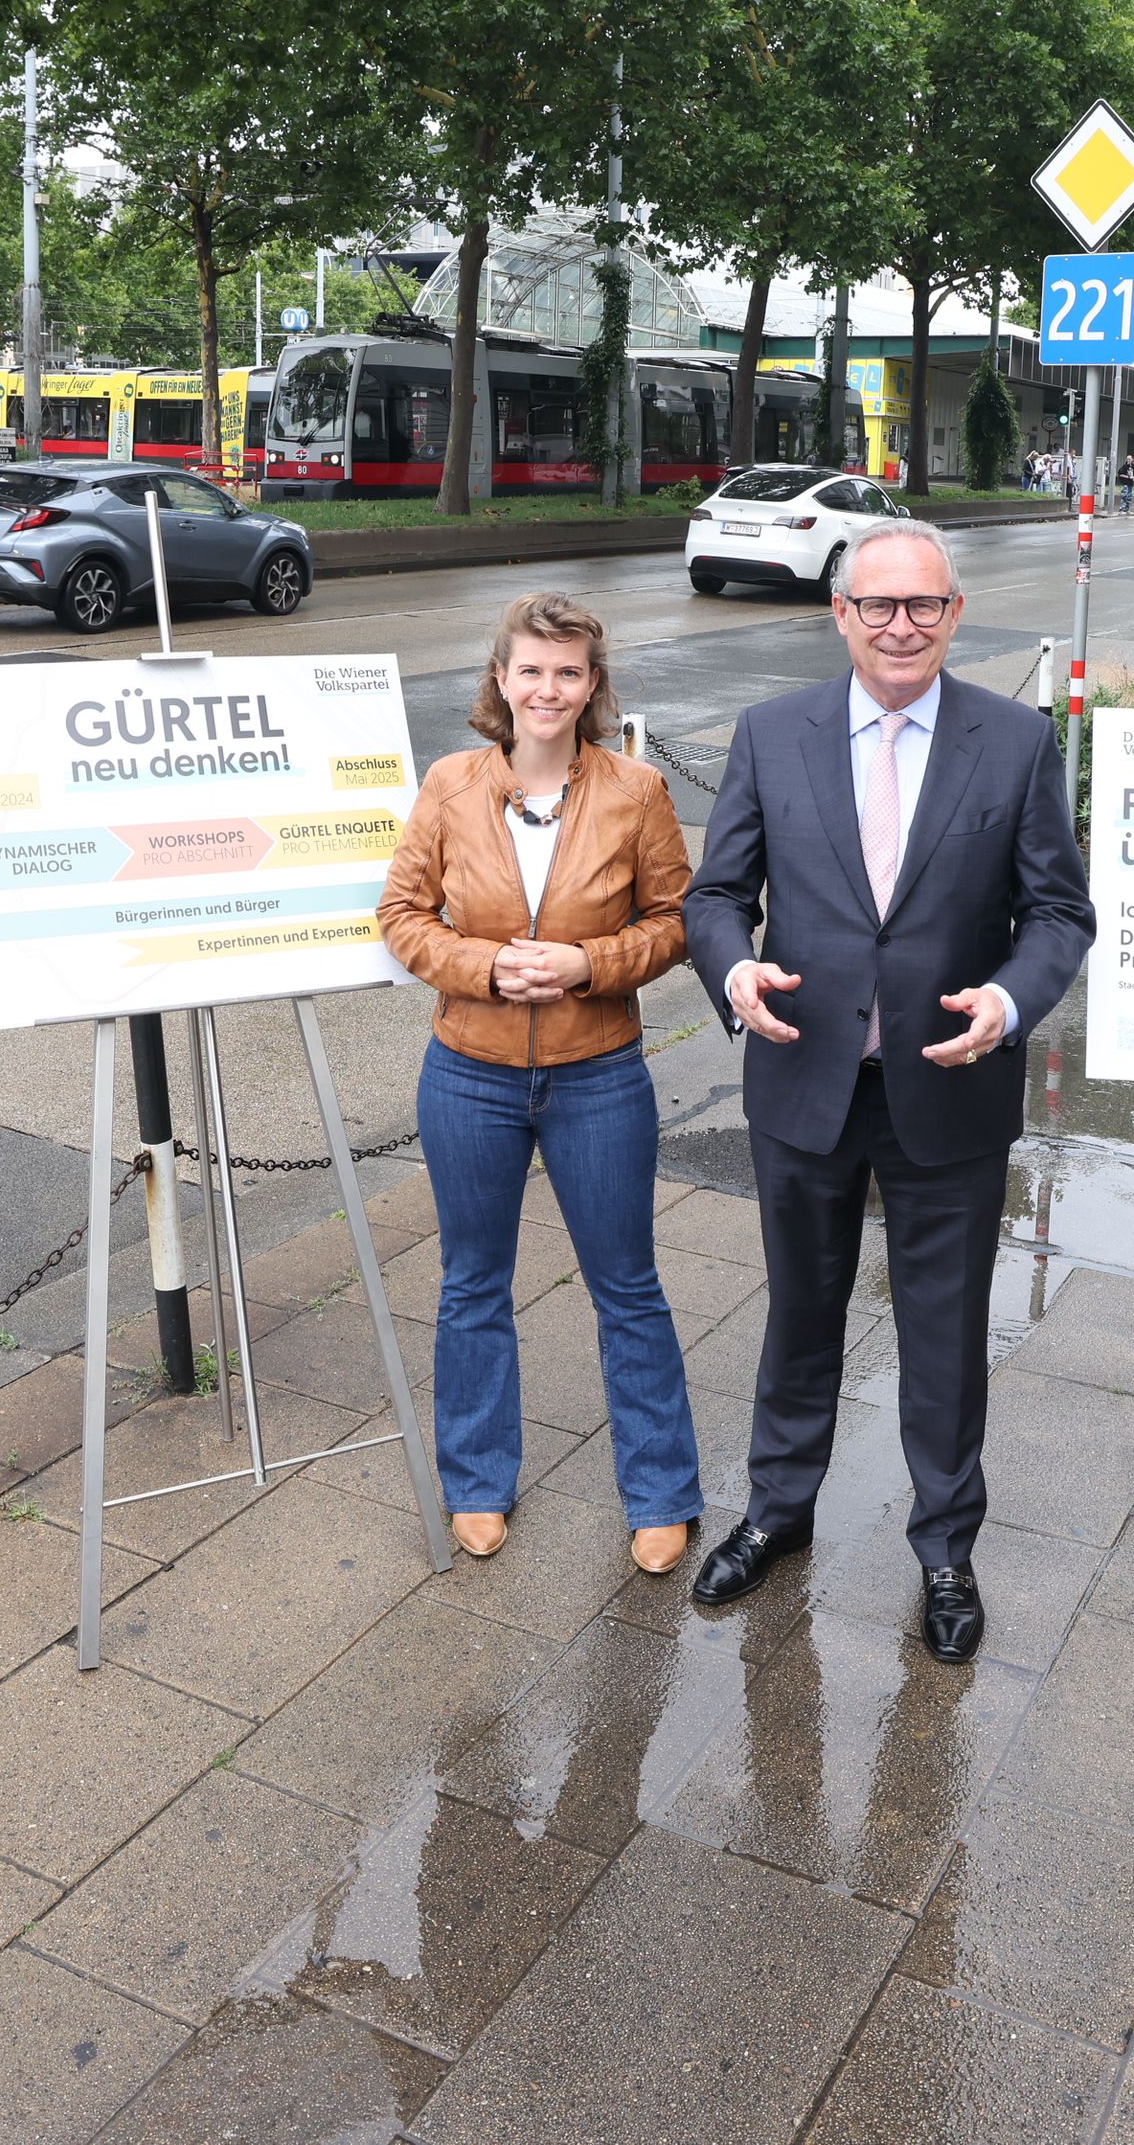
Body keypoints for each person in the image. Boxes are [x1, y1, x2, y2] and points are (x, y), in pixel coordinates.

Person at [682, 522, 1095, 1661]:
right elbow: (715, 895)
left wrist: (1008, 1005)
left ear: (954, 614)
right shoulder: (773, 735)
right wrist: (731, 966)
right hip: (804, 1075)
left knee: (946, 1331)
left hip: (948, 1084)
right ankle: (777, 1512)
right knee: (797, 1313)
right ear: (842, 615)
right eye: (879, 606)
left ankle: (945, 1551)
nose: (901, 626)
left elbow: (1058, 912)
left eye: (923, 606)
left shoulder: (1013, 743)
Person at [377, 592, 704, 1576]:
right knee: (471, 1282)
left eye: (568, 671)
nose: (548, 688)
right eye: (530, 669)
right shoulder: (448, 784)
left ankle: (659, 1493)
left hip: (595, 1073)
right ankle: (476, 1482)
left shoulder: (634, 793)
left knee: (627, 1286)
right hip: (467, 1073)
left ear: (593, 684)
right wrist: (481, 966)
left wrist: (584, 966)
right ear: (500, 680)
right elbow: (401, 913)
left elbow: (678, 920)